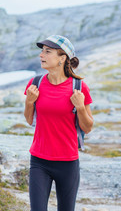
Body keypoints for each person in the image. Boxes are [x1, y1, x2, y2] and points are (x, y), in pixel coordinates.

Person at [24, 35, 94, 211]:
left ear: (62, 58)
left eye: (48, 52)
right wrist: (29, 102)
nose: (41, 55)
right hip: (39, 161)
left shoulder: (79, 87)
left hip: (68, 162)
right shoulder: (36, 83)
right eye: (42, 51)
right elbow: (28, 119)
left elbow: (88, 127)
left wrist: (80, 107)